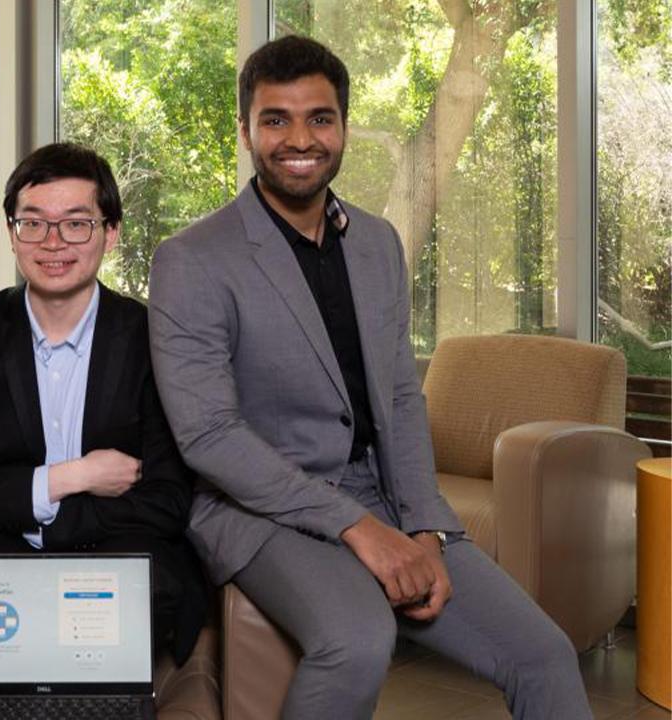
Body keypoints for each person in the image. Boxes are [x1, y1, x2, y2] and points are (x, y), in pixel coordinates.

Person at [147, 35, 588, 719]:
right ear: (245, 131)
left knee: (545, 655)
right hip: (259, 510)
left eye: (320, 118)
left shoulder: (378, 243)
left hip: (386, 497)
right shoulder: (193, 259)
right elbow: (209, 436)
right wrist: (357, 527)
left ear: (344, 127)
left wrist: (424, 529)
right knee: (357, 640)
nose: (301, 138)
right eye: (276, 119)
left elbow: (401, 398)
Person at [0, 142, 206, 663]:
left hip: (114, 554)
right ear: (11, 232)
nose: (53, 243)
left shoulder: (151, 339)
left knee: (150, 591)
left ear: (110, 232)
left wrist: (49, 528)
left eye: (76, 224)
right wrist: (71, 479)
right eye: (33, 223)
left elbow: (166, 499)